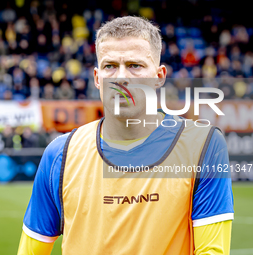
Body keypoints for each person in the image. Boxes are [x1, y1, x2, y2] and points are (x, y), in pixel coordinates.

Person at [17, 16, 233, 255]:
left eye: (135, 65)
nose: (121, 77)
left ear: (159, 76)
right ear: (98, 79)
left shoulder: (203, 145)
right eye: (110, 66)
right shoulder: (60, 154)